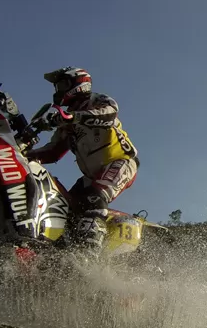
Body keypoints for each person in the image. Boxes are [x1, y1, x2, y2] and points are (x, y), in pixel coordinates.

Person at [26, 67, 140, 262]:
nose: (58, 91)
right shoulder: (67, 123)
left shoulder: (97, 101)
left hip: (120, 162)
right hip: (90, 176)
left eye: (61, 85)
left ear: (78, 84)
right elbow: (53, 151)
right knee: (65, 206)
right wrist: (23, 154)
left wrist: (74, 117)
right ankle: (62, 253)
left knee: (94, 198)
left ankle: (88, 256)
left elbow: (110, 113)